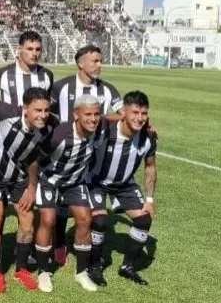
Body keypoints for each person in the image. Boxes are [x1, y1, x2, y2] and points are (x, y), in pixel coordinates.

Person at [49, 44, 123, 265]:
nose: (100, 65)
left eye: (101, 61)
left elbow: (124, 115)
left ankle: (87, 250)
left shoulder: (108, 90)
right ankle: (60, 242)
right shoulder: (61, 87)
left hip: (93, 157)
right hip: (64, 156)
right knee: (61, 205)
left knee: (83, 206)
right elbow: (45, 112)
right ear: (81, 63)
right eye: (95, 61)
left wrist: (103, 120)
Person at [0, 87, 54, 292]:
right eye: (38, 110)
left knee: (27, 221)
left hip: (18, 179)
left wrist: (31, 187)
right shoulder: (5, 112)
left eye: (46, 110)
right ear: (25, 108)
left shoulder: (48, 126)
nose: (43, 115)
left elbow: (34, 159)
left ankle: (21, 269)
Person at [33, 95, 106, 293]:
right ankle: (43, 272)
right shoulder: (61, 134)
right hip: (48, 180)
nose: (93, 119)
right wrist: (31, 186)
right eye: (88, 114)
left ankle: (81, 272)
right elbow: (35, 158)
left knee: (84, 219)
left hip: (74, 182)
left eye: (97, 114)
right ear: (76, 114)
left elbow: (121, 118)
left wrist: (148, 126)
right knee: (48, 220)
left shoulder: (100, 126)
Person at [84, 91, 157, 287]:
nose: (139, 118)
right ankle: (95, 266)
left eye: (143, 114)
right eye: (134, 112)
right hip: (96, 182)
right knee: (99, 220)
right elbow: (96, 117)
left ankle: (128, 267)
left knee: (144, 219)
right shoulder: (105, 129)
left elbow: (150, 166)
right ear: (123, 112)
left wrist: (150, 200)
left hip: (125, 184)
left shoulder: (148, 137)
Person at [0, 31, 54, 107]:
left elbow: (49, 103)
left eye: (38, 49)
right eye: (30, 49)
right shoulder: (3, 73)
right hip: (9, 119)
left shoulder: (47, 75)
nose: (34, 54)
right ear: (19, 49)